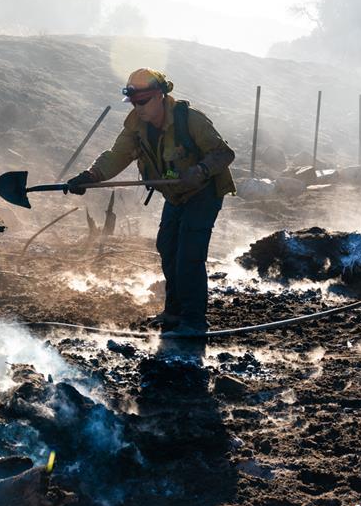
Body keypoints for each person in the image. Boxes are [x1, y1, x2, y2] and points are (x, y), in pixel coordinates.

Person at [67, 68, 235, 337]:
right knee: (167, 246)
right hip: (176, 194)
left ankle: (193, 321)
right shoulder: (137, 126)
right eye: (134, 103)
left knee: (189, 254)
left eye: (143, 102)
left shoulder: (190, 120)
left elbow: (224, 153)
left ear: (159, 96)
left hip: (204, 193)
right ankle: (174, 312)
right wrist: (90, 176)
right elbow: (117, 155)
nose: (138, 108)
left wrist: (201, 170)